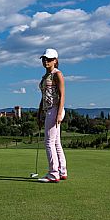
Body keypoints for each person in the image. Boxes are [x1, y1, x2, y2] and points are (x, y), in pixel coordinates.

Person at [37, 48, 67, 183]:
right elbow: (44, 97)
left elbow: (62, 96)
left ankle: (53, 173)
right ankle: (62, 171)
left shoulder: (57, 74)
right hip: (48, 109)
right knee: (56, 142)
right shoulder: (45, 77)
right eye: (44, 59)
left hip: (55, 109)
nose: (46, 61)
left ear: (55, 60)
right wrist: (39, 113)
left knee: (49, 142)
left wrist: (59, 113)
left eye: (48, 59)